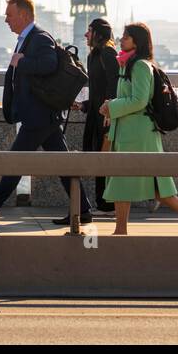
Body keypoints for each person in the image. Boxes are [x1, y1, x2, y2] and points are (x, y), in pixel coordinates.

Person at [0, 0, 92, 224]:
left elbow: (48, 64)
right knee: (63, 164)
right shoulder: (28, 38)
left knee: (15, 161)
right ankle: (82, 210)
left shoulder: (40, 37)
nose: (6, 20)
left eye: (9, 15)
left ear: (23, 15)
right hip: (43, 114)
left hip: (39, 115)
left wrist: (20, 61)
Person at [101, 22, 178, 236]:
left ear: (136, 41)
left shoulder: (139, 66)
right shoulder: (128, 65)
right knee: (155, 185)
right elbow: (128, 98)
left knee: (128, 179)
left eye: (126, 37)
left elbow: (139, 100)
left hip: (137, 134)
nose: (121, 39)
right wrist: (113, 106)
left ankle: (121, 230)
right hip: (131, 132)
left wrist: (112, 107)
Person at [79, 17, 120, 216]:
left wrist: (111, 111)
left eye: (90, 31)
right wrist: (84, 105)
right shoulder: (93, 55)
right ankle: (102, 202)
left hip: (107, 116)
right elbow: (97, 89)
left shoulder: (107, 53)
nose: (86, 35)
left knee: (104, 158)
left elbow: (114, 85)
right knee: (98, 157)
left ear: (98, 33)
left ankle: (107, 204)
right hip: (97, 114)